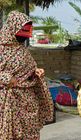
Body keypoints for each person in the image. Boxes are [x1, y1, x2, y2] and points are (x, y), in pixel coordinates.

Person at [0, 10, 54, 140]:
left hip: (27, 101)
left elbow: (29, 68)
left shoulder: (22, 49)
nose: (25, 35)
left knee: (30, 133)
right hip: (6, 102)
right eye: (23, 30)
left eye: (27, 30)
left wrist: (35, 72)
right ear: (12, 27)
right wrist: (7, 78)